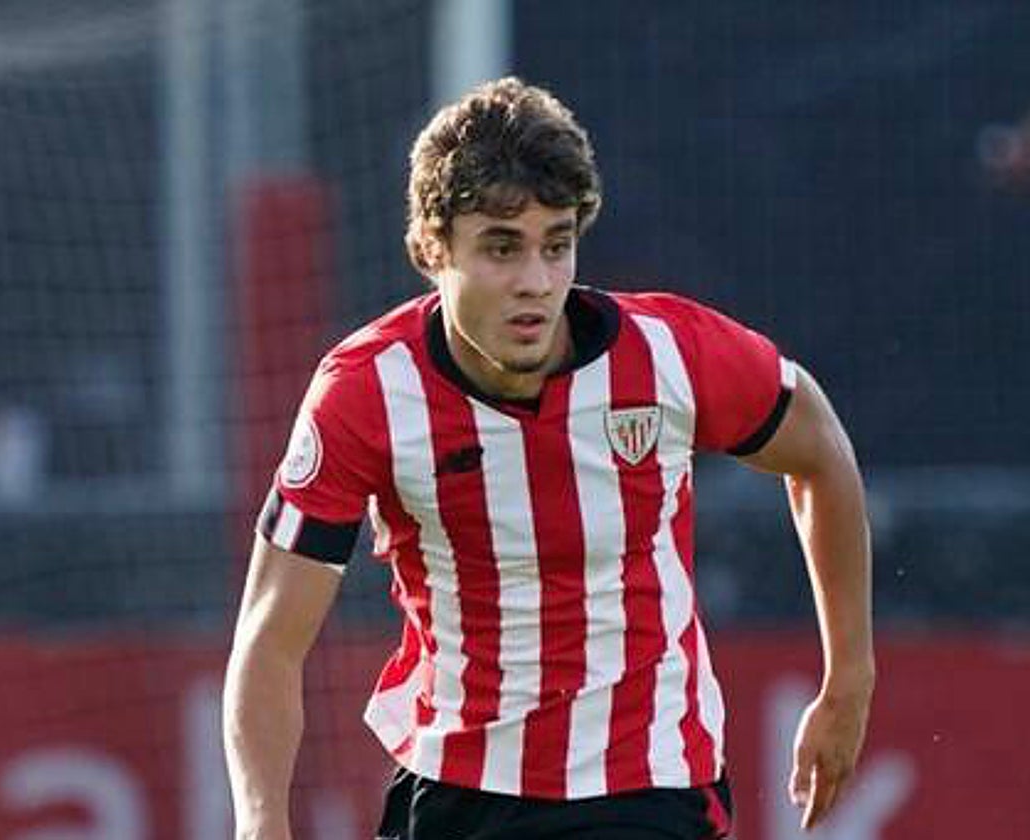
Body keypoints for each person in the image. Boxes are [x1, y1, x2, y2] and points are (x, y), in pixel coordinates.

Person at [224, 77, 874, 840]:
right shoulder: (367, 394)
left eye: (556, 245)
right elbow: (268, 642)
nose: (535, 282)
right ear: (434, 248)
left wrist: (849, 679)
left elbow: (819, 450)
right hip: (454, 786)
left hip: (647, 785)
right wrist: (260, 819)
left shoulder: (667, 354)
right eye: (501, 248)